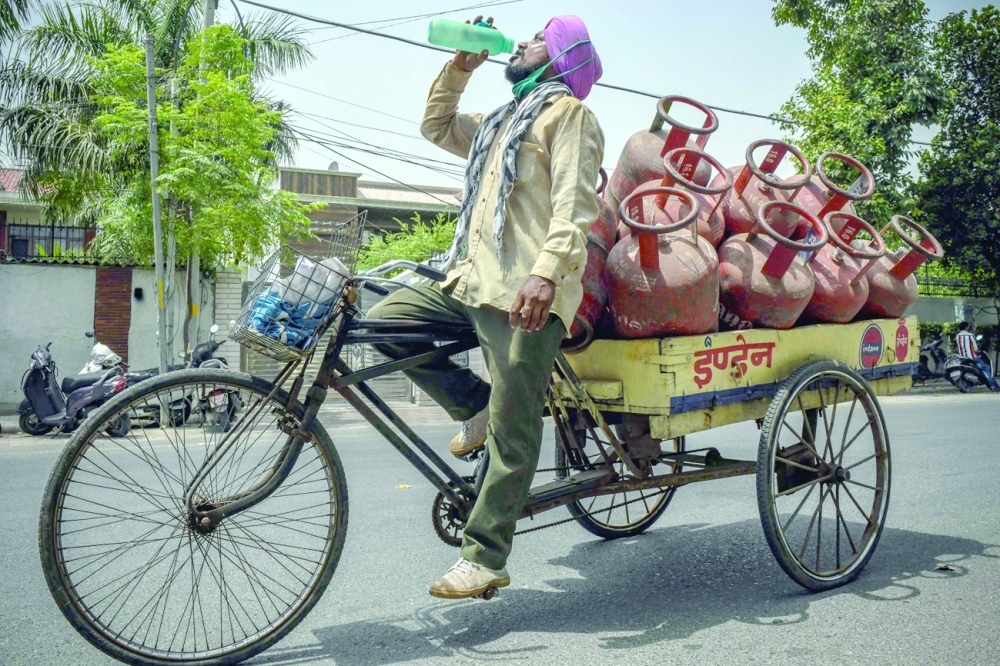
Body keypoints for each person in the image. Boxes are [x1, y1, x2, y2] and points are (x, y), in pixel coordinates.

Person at [366, 14, 604, 599]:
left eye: (534, 40)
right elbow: (436, 124)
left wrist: (546, 275)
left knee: (514, 424)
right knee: (384, 324)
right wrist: (459, 68)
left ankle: (486, 555)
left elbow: (576, 207)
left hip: (527, 293)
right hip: (470, 281)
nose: (518, 43)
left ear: (556, 59)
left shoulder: (569, 116)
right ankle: (475, 405)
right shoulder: (501, 122)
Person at [955, 322, 999, 390]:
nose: (968, 327)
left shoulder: (957, 336)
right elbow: (975, 348)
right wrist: (978, 350)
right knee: (985, 370)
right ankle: (992, 386)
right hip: (972, 357)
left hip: (962, 358)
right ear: (966, 327)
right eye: (968, 326)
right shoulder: (970, 335)